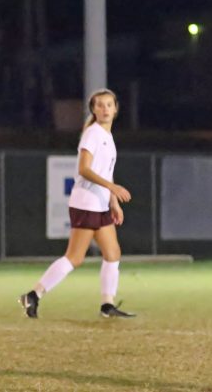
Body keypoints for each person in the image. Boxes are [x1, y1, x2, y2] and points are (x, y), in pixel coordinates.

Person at [19, 88, 136, 319]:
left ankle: (107, 305)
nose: (105, 109)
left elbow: (107, 172)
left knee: (113, 253)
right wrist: (113, 189)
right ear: (93, 109)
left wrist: (114, 202)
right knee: (75, 257)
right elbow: (84, 169)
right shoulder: (92, 133)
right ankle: (33, 295)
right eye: (100, 105)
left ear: (116, 109)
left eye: (109, 105)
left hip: (100, 204)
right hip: (86, 202)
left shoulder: (107, 136)